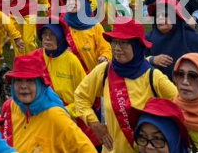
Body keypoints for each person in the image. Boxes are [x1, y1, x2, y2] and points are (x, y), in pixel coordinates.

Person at [74, 18, 178, 153]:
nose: (117, 49)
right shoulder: (104, 71)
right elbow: (80, 96)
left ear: (137, 46)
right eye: (114, 42)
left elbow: (180, 105)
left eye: (124, 43)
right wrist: (93, 123)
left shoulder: (153, 77)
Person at [3, 52, 97, 153]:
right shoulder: (9, 107)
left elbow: (86, 149)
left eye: (30, 81)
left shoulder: (55, 116)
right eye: (18, 80)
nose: (23, 86)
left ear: (40, 85)